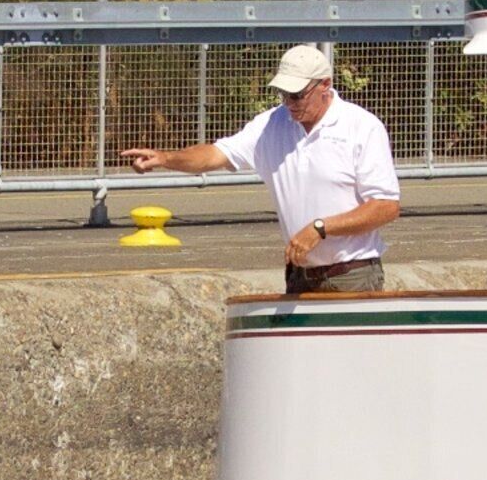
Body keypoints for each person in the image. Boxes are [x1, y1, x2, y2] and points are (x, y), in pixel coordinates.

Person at [120, 43, 403, 294]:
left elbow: (386, 206)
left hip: (352, 276)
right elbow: (214, 155)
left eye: (297, 94)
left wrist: (321, 228)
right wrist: (166, 158)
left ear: (325, 86)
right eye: (283, 93)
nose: (288, 102)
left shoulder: (362, 126)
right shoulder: (271, 124)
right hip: (299, 276)